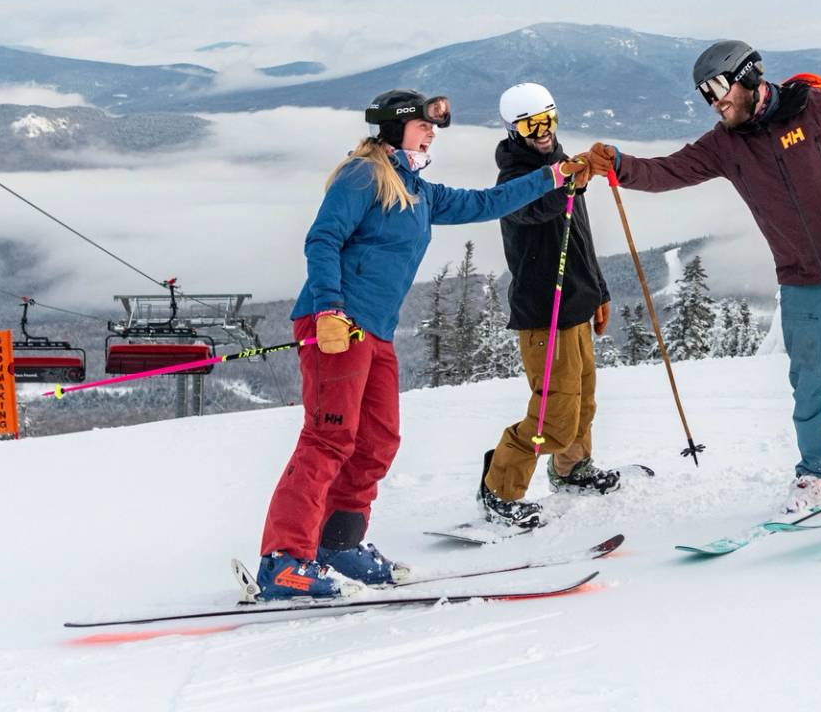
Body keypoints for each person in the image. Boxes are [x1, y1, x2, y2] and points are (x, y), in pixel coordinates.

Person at [576, 41, 821, 515]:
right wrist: (620, 164)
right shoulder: (726, 143)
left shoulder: (817, 109)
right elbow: (669, 171)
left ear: (747, 77)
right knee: (812, 383)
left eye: (720, 89)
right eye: (705, 95)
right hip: (801, 279)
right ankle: (817, 475)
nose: (714, 102)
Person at [254, 89, 594, 600]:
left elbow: (487, 202)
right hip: (338, 325)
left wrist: (555, 175)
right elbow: (323, 239)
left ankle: (338, 543)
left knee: (378, 441)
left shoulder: (418, 190)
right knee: (328, 440)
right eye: (422, 125)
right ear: (395, 129)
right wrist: (327, 308)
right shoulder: (362, 175)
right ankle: (283, 560)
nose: (431, 132)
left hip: (377, 331)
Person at [477, 83, 619, 531]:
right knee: (552, 416)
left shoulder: (563, 165)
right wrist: (568, 183)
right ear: (513, 130)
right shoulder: (513, 179)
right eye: (531, 124)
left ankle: (571, 469)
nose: (542, 131)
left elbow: (580, 236)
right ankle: (499, 490)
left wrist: (599, 291)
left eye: (548, 119)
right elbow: (534, 209)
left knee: (583, 403)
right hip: (544, 311)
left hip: (576, 302)